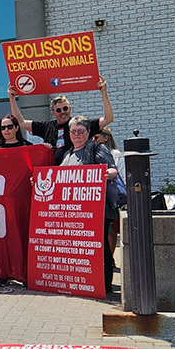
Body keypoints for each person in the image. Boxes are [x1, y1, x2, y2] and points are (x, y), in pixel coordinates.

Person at [60, 115, 121, 292]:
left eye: (81, 131)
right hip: (75, 212)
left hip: (97, 211)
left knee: (100, 247)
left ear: (88, 132)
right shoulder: (67, 154)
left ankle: (104, 285)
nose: (77, 134)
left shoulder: (97, 148)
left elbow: (112, 169)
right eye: (73, 131)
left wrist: (109, 173)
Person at [10, 78, 114, 162]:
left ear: (70, 108)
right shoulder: (47, 126)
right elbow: (20, 122)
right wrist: (12, 98)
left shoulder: (79, 125)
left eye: (65, 108)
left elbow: (107, 119)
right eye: (58, 110)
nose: (62, 112)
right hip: (55, 174)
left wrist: (104, 93)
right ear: (53, 112)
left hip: (77, 169)